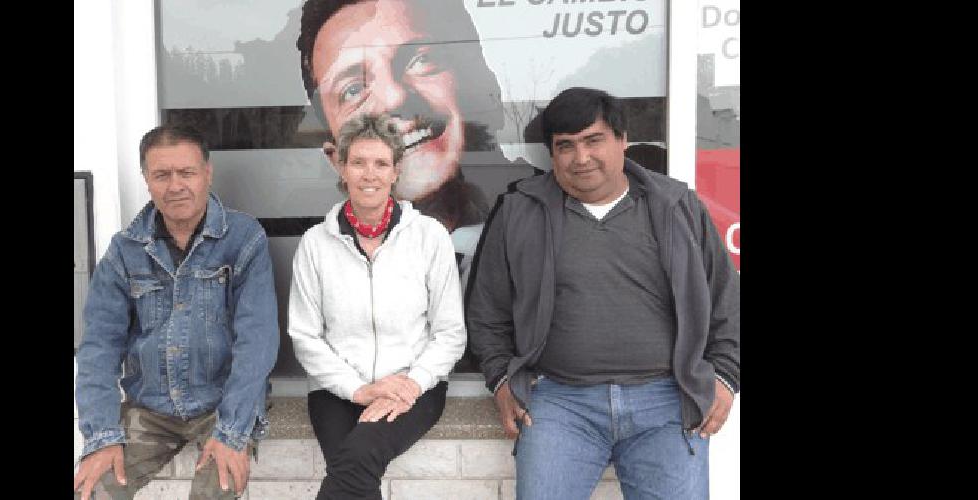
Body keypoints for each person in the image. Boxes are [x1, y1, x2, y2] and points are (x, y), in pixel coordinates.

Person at [466, 87, 740, 500]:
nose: (581, 158)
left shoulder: (675, 206)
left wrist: (724, 376)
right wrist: (502, 379)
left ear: (622, 140)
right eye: (566, 146)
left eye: (594, 140)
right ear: (552, 154)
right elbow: (487, 310)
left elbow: (726, 300)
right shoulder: (520, 211)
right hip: (559, 403)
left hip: (666, 400)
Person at [73, 125, 280, 500]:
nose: (175, 186)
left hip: (223, 403)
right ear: (147, 180)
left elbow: (258, 341)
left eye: (186, 173)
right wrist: (102, 436)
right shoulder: (124, 250)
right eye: (161, 175)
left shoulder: (243, 238)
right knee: (89, 492)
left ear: (207, 173)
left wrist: (233, 431)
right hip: (149, 407)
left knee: (214, 492)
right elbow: (98, 348)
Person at [288, 113, 467, 500]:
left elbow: (450, 332)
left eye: (381, 163)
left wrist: (409, 384)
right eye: (359, 163)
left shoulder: (429, 237)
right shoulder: (316, 244)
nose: (369, 174)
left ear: (395, 171)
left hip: (413, 387)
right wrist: (359, 390)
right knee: (353, 470)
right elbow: (305, 336)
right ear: (342, 167)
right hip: (336, 390)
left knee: (354, 461)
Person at [296, 0, 534, 287]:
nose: (395, 96)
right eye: (353, 90)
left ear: (487, 88)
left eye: (421, 59)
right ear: (338, 160)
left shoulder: (552, 222)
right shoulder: (327, 256)